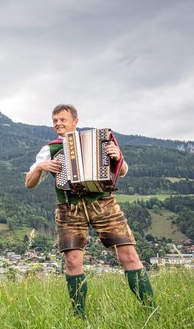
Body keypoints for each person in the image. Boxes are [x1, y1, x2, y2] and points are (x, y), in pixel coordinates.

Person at [25, 103, 155, 318]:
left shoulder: (99, 142)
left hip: (103, 204)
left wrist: (116, 155)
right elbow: (28, 183)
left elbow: (122, 171)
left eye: (62, 119)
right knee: (73, 261)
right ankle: (79, 317)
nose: (58, 123)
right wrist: (40, 167)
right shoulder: (50, 149)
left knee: (129, 254)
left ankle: (151, 310)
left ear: (75, 121)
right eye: (55, 120)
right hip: (69, 208)